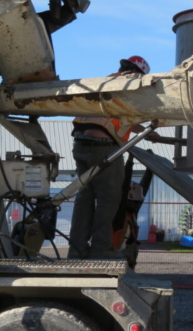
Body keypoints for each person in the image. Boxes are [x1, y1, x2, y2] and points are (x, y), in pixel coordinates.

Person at [68, 55, 150, 259]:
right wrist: (151, 129)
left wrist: (146, 131)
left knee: (85, 197)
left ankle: (76, 250)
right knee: (108, 199)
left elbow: (117, 118)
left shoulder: (104, 83)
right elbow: (130, 119)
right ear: (139, 73)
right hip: (104, 148)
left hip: (80, 146)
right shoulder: (129, 88)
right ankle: (101, 248)